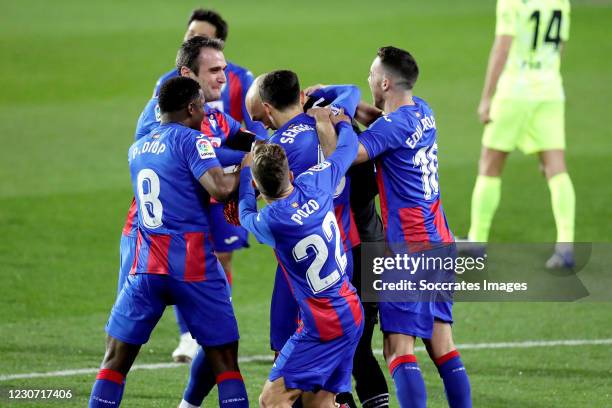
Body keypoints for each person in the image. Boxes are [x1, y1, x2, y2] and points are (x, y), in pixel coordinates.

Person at [89, 77, 248, 408]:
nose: (205, 112)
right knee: (225, 362)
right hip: (192, 266)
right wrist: (247, 170)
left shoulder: (138, 148)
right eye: (202, 107)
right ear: (191, 108)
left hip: (146, 265)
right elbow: (219, 188)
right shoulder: (193, 141)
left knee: (115, 360)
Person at [345, 46, 472, 407]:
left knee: (397, 348)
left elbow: (355, 152)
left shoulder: (391, 126)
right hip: (440, 241)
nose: (368, 79)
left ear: (385, 82)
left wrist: (334, 120)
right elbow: (382, 122)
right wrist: (346, 104)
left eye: (371, 74)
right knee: (441, 345)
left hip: (408, 250)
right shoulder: (422, 111)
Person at [246, 71, 380, 407]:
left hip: (300, 271)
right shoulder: (318, 178)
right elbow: (350, 91)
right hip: (341, 256)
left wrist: (244, 183)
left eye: (261, 116)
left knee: (277, 383)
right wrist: (334, 112)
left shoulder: (276, 167)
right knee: (323, 399)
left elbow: (246, 212)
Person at [126, 34, 260, 364]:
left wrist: (273, 145)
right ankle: (188, 337)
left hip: (193, 214)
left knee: (217, 322)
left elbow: (238, 138)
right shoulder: (161, 119)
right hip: (160, 231)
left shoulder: (208, 113)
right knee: (124, 339)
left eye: (224, 69)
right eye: (214, 70)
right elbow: (206, 160)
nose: (222, 78)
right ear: (188, 75)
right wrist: (250, 164)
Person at [463, 0, 574, 268]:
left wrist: (487, 97)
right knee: (555, 167)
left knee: (490, 164)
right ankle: (567, 245)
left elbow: (503, 47)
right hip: (549, 92)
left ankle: (477, 240)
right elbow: (559, 47)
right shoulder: (560, 1)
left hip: (515, 92)